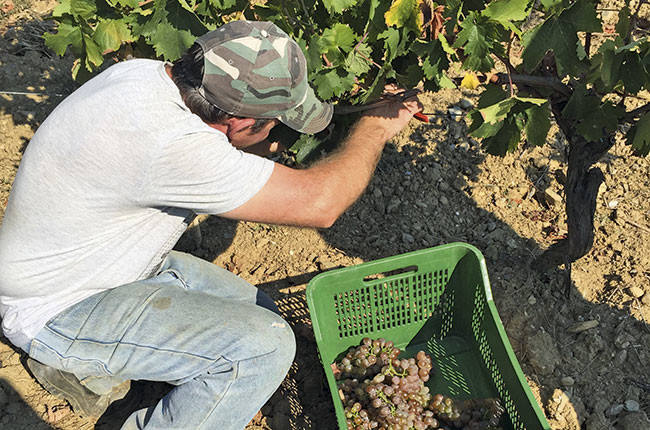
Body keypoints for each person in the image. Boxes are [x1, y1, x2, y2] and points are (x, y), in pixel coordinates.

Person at [0, 20, 422, 429]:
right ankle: (72, 357)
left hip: (103, 265)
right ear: (236, 122)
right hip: (55, 308)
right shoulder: (176, 149)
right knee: (260, 350)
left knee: (262, 313)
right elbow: (322, 204)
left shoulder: (143, 76)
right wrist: (377, 128)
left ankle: (117, 362)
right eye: (276, 123)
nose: (278, 134)